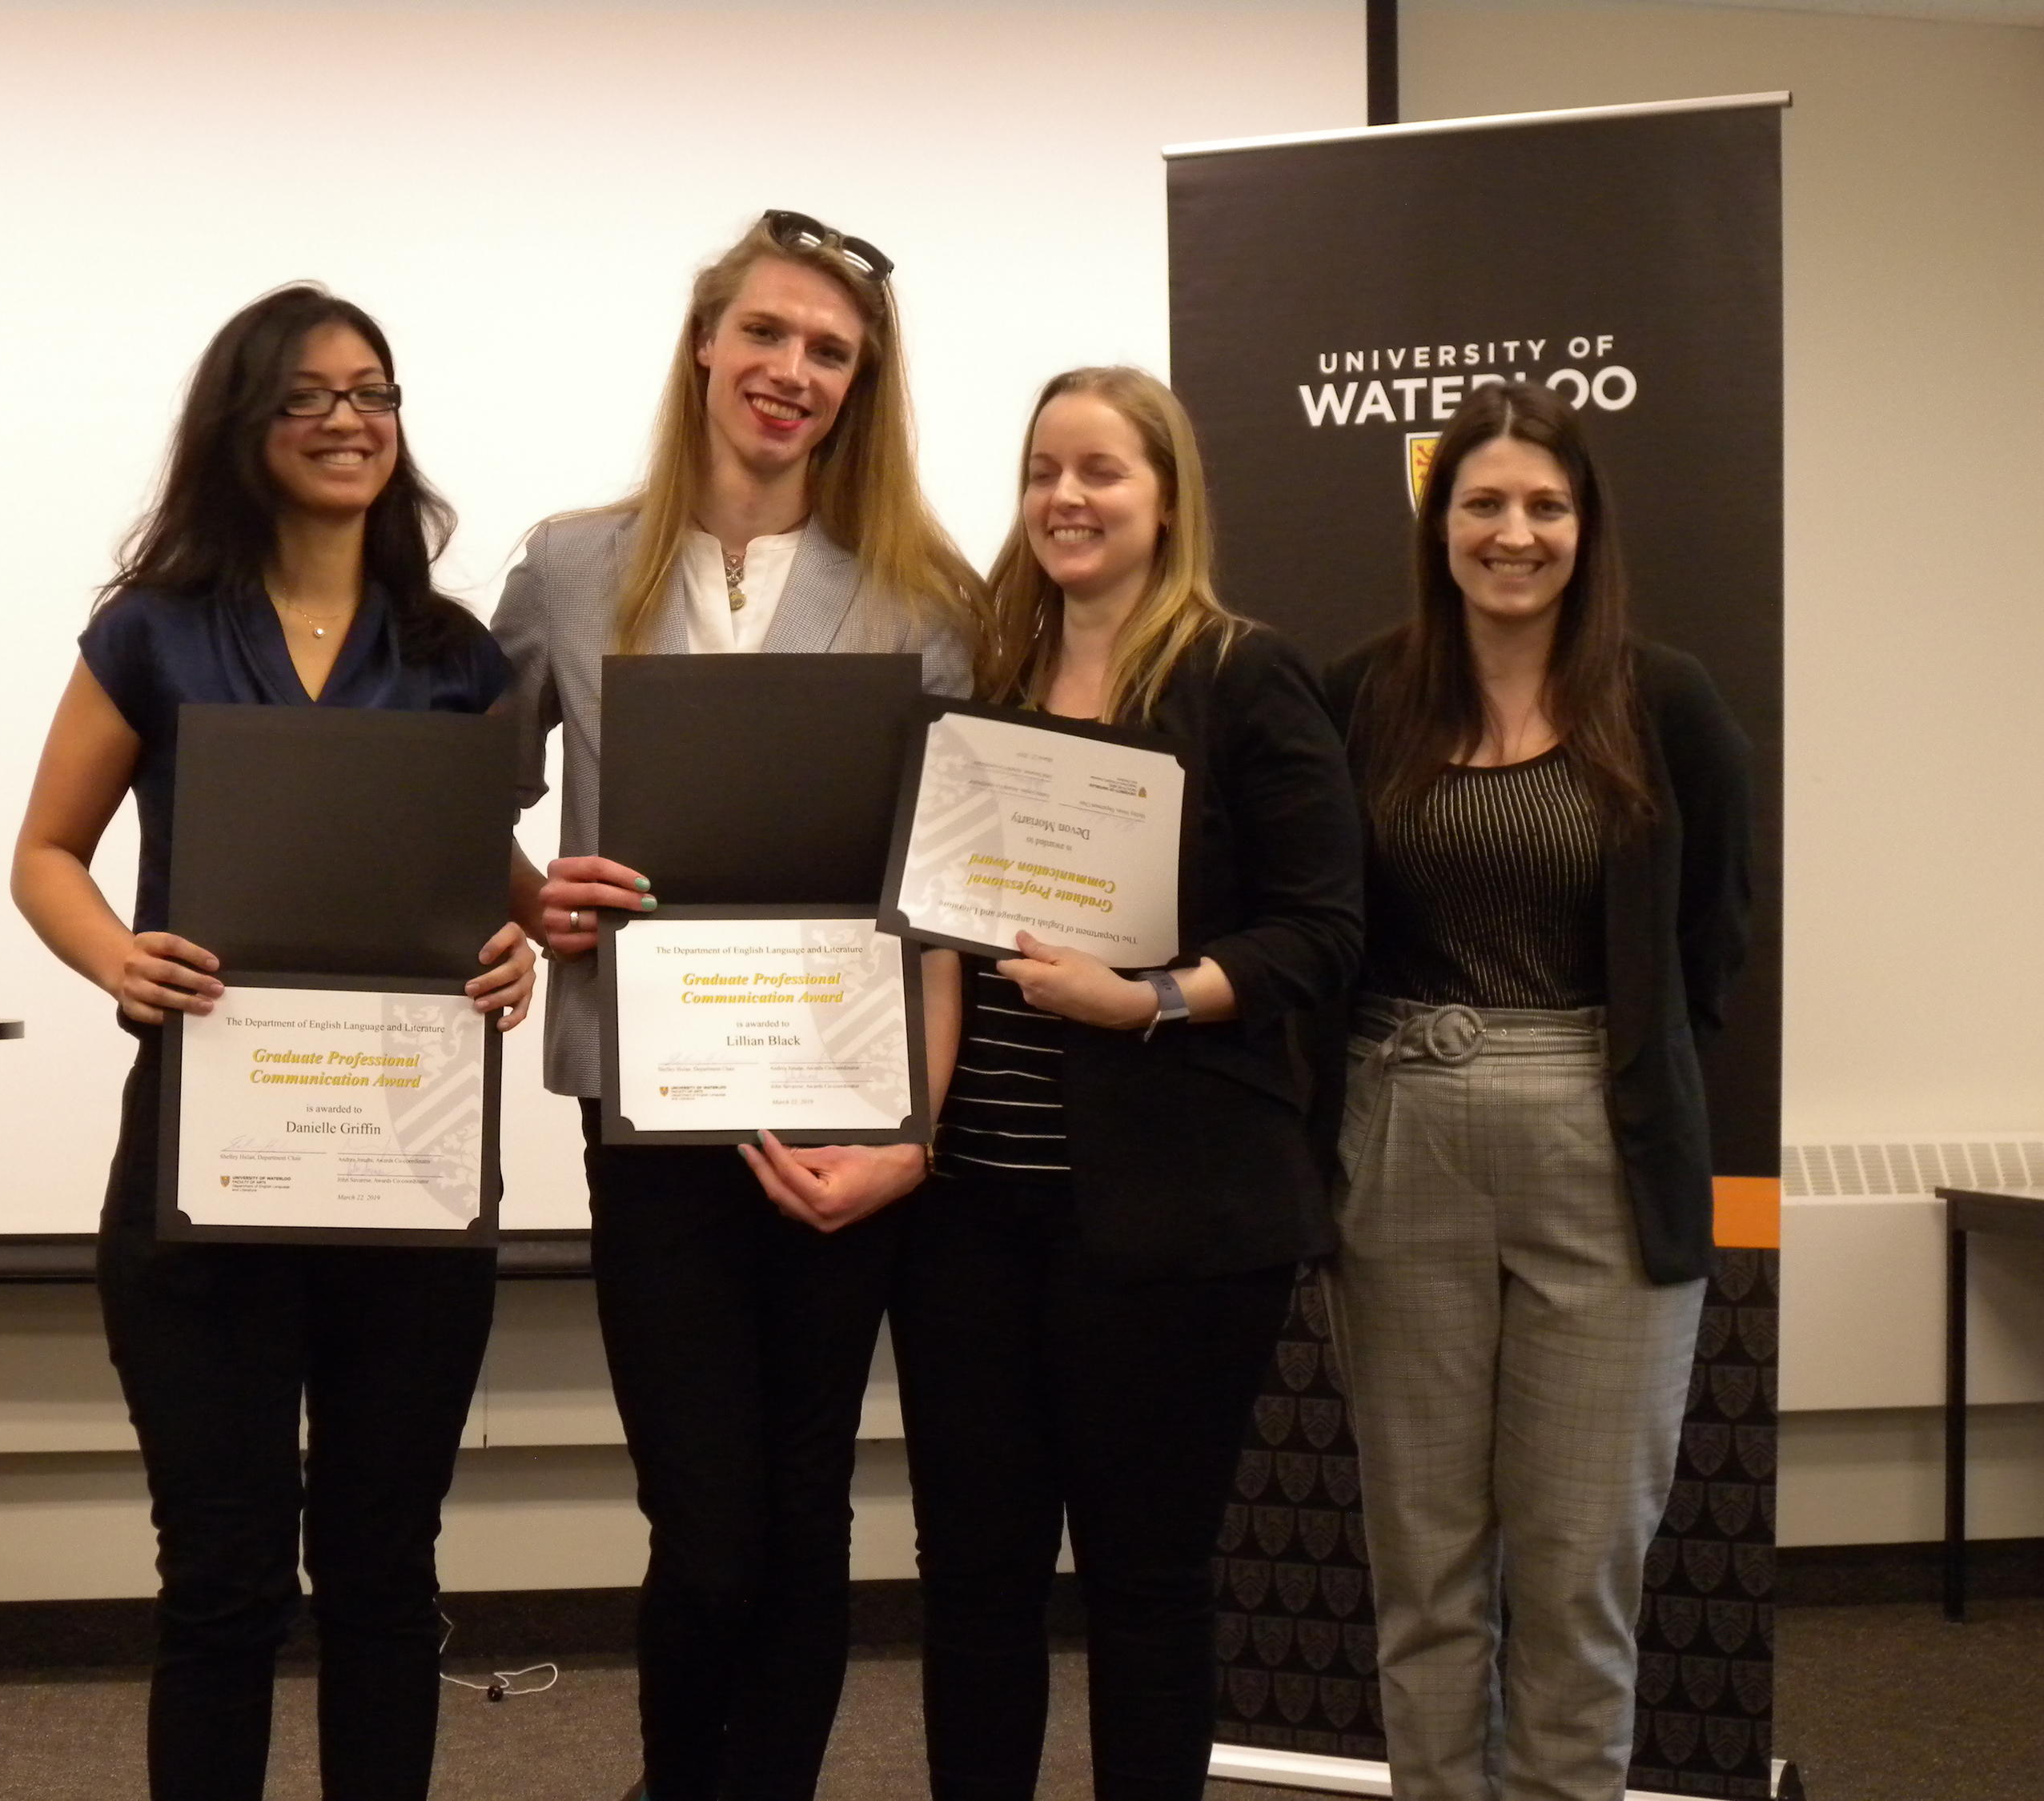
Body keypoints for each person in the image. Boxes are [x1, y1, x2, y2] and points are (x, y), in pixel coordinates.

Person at [803, 366, 1361, 1801]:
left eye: (1102, 471)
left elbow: (1321, 928)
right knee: (976, 1579)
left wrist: (1150, 999)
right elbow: (926, 923)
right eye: (1046, 469)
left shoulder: (1242, 674)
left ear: (1167, 495)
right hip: (974, 1213)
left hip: (1174, 1223)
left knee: (1147, 1579)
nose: (1067, 497)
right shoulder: (981, 679)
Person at [10, 284, 536, 1801]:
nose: (346, 420)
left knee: (384, 1576)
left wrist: (513, 943)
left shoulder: (451, 655)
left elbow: (489, 882)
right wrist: (122, 955)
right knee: (226, 1582)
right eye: (306, 396)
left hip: (405, 1182)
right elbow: (46, 850)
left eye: (371, 391)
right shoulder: (155, 633)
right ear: (245, 427)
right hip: (205, 1175)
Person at [492, 211, 978, 1801]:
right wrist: (526, 894)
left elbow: (950, 898)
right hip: (649, 1109)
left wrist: (916, 1125)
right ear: (706, 344)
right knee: (706, 1533)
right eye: (766, 334)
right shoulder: (571, 564)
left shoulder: (926, 597)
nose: (792, 371)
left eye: (830, 352)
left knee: (807, 1509)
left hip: (844, 1116)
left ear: (861, 387)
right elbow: (467, 796)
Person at [1321, 379, 1753, 1801]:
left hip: (1603, 1142)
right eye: (1483, 502)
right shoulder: (1363, 697)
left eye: (1545, 504)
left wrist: (1610, 1079)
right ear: (1438, 523)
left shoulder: (1665, 700)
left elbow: (1710, 942)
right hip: (1401, 1127)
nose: (1514, 531)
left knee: (1578, 1571)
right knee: (1426, 1569)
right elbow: (1316, 931)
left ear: (1587, 526)